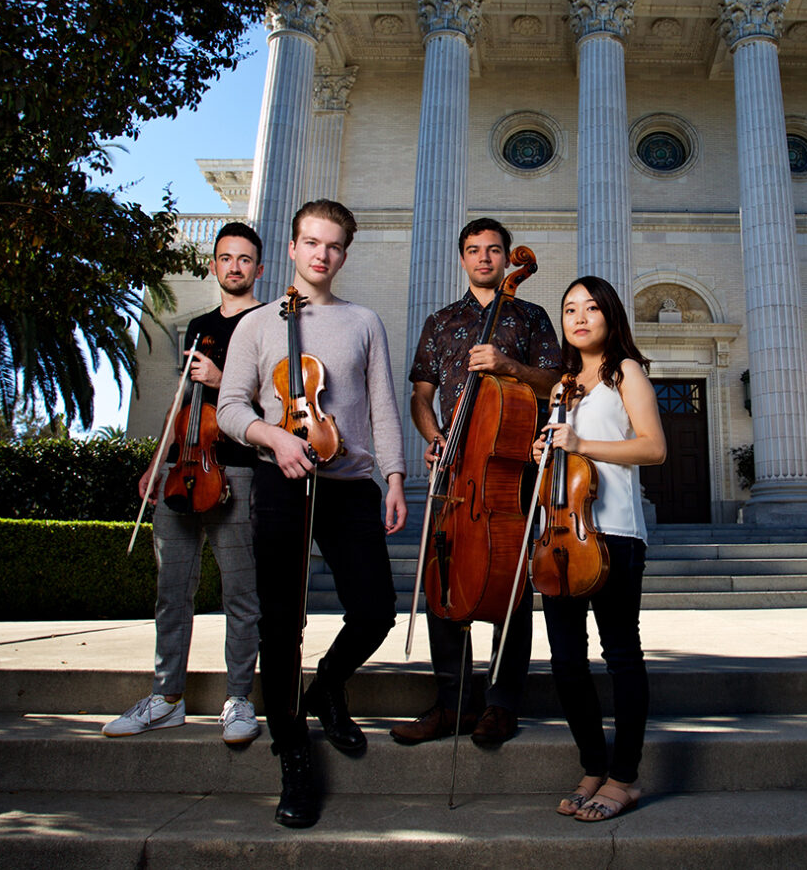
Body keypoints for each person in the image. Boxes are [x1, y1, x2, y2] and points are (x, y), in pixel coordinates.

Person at [216, 199, 407, 830]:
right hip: (282, 480)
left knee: (377, 608)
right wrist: (274, 438)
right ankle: (292, 751)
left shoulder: (362, 321)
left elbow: (383, 406)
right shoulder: (258, 323)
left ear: (343, 254)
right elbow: (230, 407)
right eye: (310, 242)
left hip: (350, 483)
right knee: (280, 625)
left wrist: (397, 478)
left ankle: (327, 686)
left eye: (333, 245)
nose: (321, 254)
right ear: (293, 248)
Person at [392, 217, 562, 748]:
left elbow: (556, 383)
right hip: (454, 472)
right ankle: (453, 703)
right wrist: (435, 436)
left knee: (511, 583)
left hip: (511, 470)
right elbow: (422, 395)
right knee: (442, 580)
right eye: (474, 250)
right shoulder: (441, 320)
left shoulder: (530, 316)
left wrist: (508, 365)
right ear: (462, 258)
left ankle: (502, 704)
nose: (484, 258)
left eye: (494, 250)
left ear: (509, 258)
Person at [104, 222, 266, 746]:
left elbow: (283, 407)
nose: (235, 267)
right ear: (214, 265)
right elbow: (178, 407)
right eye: (226, 258)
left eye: (245, 259)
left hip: (237, 471)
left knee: (242, 595)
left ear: (258, 269)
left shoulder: (267, 325)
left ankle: (239, 698)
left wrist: (224, 381)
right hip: (182, 470)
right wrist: (158, 462)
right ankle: (166, 697)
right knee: (172, 593)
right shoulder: (197, 325)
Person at [533, 275, 664, 823]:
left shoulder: (624, 372)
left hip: (613, 536)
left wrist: (581, 442)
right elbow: (560, 462)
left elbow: (652, 448)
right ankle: (593, 764)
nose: (579, 317)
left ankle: (625, 777)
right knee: (565, 661)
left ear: (609, 315)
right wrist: (545, 446)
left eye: (590, 307)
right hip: (562, 535)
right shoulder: (562, 383)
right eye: (569, 309)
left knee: (621, 655)